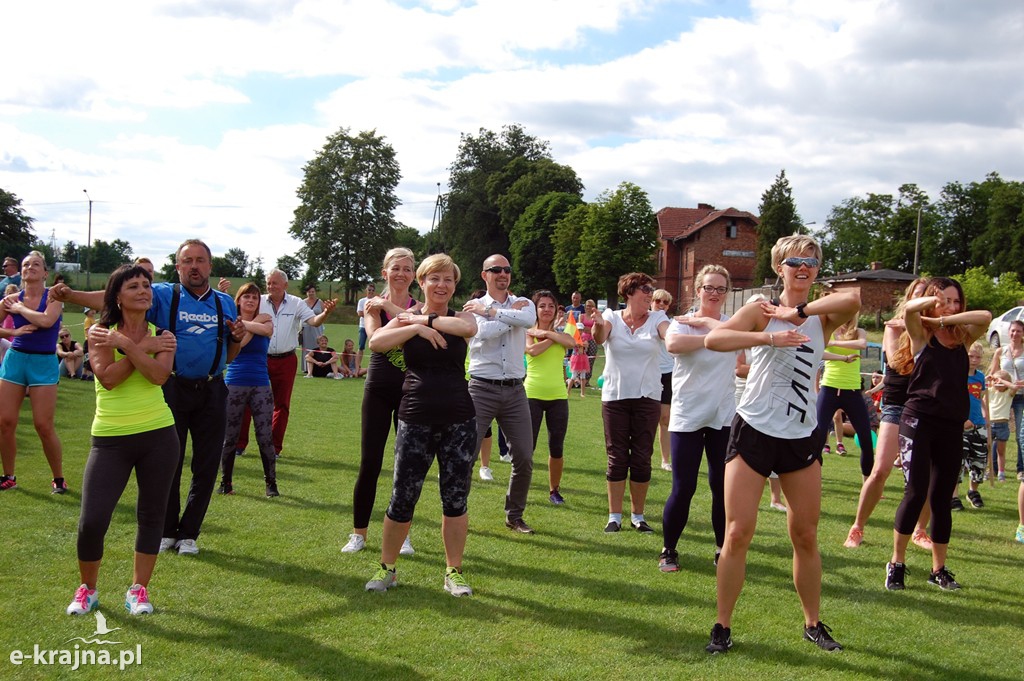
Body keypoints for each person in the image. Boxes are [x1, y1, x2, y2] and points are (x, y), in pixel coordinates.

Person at [704, 235, 860, 654]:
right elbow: (713, 340)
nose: (803, 267)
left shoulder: (819, 317)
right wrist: (767, 338)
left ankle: (812, 623)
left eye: (810, 261)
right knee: (737, 533)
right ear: (780, 268)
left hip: (800, 436)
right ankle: (722, 626)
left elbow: (853, 299)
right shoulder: (760, 309)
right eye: (794, 261)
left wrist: (800, 311)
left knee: (805, 535)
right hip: (754, 428)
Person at [52, 239, 244, 555]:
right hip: (172, 387)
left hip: (212, 388)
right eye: (187, 261)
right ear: (178, 266)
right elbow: (116, 298)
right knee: (170, 461)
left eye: (200, 260)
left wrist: (237, 339)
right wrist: (72, 295)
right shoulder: (166, 294)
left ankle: (189, 534)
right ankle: (168, 531)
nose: (194, 266)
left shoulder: (225, 302)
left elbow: (230, 353)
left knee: (207, 465)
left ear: (210, 265)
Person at [65, 264, 179, 616]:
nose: (144, 291)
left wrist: (128, 345)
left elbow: (159, 376)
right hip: (110, 439)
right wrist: (142, 347)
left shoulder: (165, 334)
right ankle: (88, 589)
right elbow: (109, 378)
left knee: (151, 515)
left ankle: (139, 590)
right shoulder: (100, 333)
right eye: (134, 286)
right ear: (117, 295)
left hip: (159, 435)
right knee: (93, 519)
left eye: (147, 285)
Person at [363, 254, 478, 596]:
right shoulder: (406, 323)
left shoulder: (461, 316)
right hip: (415, 417)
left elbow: (468, 328)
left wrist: (425, 318)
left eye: (448, 280)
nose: (442, 285)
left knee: (455, 499)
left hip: (459, 419)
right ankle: (387, 568)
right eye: (435, 279)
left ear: (454, 286)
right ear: (422, 283)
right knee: (402, 497)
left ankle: (453, 572)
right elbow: (376, 342)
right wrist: (415, 328)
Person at [884, 277, 990, 592]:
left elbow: (984, 317)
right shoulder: (920, 334)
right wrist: (932, 306)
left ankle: (938, 569)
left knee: (942, 499)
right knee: (915, 493)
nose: (953, 305)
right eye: (946, 299)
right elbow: (911, 310)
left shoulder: (963, 339)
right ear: (933, 299)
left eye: (957, 301)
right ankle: (897, 563)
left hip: (950, 426)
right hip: (918, 421)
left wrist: (944, 316)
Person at [658, 265, 738, 572]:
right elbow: (673, 346)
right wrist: (714, 338)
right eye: (709, 288)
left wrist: (717, 332)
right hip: (687, 415)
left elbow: (742, 352)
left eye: (720, 289)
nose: (714, 294)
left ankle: (722, 549)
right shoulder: (682, 323)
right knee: (684, 486)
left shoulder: (731, 323)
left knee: (722, 486)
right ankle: (669, 550)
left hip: (722, 416)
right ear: (697, 290)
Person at [843, 278, 932, 549]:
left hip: (926, 406)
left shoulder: (937, 331)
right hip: (896, 404)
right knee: (880, 469)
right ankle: (857, 528)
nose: (920, 302)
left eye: (926, 298)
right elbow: (899, 364)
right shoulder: (893, 328)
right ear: (908, 299)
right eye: (917, 296)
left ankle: (920, 531)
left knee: (926, 475)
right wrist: (913, 330)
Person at [343, 248, 419, 555]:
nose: (401, 273)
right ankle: (358, 533)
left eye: (407, 269)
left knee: (407, 466)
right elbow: (376, 342)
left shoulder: (420, 305)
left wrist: (394, 311)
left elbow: (407, 330)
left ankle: (403, 534)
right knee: (370, 463)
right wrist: (408, 324)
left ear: (414, 275)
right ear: (384, 273)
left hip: (410, 390)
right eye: (395, 268)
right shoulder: (373, 308)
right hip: (378, 388)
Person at [464, 254, 538, 534]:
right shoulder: (474, 307)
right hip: (481, 388)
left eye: (507, 270)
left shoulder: (525, 303)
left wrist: (495, 314)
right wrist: (510, 318)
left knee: (524, 457)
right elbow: (482, 334)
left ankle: (514, 515)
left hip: (515, 390)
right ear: (485, 275)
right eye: (496, 270)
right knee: (467, 455)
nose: (503, 274)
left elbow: (529, 319)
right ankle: (458, 512)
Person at [591, 272, 670, 534]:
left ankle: (638, 516)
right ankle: (614, 516)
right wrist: (597, 324)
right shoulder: (612, 317)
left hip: (647, 397)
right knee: (616, 458)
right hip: (615, 397)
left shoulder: (658, 318)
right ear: (629, 292)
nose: (650, 293)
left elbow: (668, 335)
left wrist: (678, 336)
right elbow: (600, 338)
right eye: (645, 289)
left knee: (641, 458)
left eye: (651, 289)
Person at [235, 269, 336, 458]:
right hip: (260, 359)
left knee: (282, 405)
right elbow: (241, 312)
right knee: (249, 401)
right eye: (269, 283)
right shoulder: (259, 300)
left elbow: (313, 321)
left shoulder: (296, 303)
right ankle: (240, 445)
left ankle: (274, 448)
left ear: (285, 285)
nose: (271, 286)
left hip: (286, 359)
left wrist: (325, 313)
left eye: (275, 283)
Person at [0, 251, 67, 494]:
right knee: (5, 422)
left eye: (36, 264)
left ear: (45, 273)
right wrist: (13, 333)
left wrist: (19, 308)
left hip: (44, 362)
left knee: (43, 425)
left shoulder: (54, 296)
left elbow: (47, 321)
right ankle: (9, 476)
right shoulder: (10, 300)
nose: (30, 267)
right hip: (16, 361)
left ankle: (58, 478)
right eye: (26, 264)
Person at [218, 283, 277, 497]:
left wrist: (246, 323)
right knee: (230, 437)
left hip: (261, 384)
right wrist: (249, 324)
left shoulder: (265, 319)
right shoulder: (232, 322)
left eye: (254, 297)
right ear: (239, 300)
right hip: (234, 383)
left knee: (264, 436)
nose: (251, 300)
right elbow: (239, 343)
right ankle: (226, 483)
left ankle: (271, 484)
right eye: (246, 297)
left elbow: (266, 330)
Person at [734, 294, 786, 512]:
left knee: (774, 442)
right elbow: (739, 369)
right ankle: (740, 495)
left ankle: (775, 498)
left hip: (771, 396)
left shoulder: (776, 332)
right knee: (743, 448)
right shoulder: (742, 337)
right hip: (742, 394)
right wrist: (765, 370)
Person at [525, 291, 575, 505]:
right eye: (542, 306)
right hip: (532, 395)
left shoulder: (562, 334)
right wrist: (555, 339)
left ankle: (554, 490)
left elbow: (572, 343)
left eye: (551, 306)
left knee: (557, 447)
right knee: (528, 448)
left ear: (556, 311)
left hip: (558, 396)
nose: (547, 309)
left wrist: (552, 335)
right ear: (535, 309)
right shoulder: (527, 331)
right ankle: (522, 489)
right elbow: (532, 350)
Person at [816, 319, 874, 476]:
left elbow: (862, 344)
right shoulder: (826, 331)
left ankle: (867, 484)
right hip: (829, 389)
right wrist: (843, 356)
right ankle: (812, 479)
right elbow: (818, 352)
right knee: (817, 438)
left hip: (853, 392)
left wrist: (835, 342)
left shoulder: (858, 331)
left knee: (866, 440)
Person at [954, 342, 989, 509]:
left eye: (978, 357)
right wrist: (961, 419)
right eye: (971, 356)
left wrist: (986, 419)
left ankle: (972, 491)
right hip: (961, 425)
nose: (974, 360)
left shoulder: (980, 377)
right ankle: (953, 495)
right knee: (957, 460)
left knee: (979, 460)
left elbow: (981, 399)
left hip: (978, 424)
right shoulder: (957, 374)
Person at [988, 319, 1024, 481]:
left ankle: (1020, 468)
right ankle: (994, 468)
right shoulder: (1001, 351)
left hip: (1021, 396)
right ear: (1008, 332)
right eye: (1013, 331)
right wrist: (997, 380)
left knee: (1019, 434)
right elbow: (993, 372)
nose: (1015, 334)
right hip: (1002, 395)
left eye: (1018, 331)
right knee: (996, 429)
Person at [652, 289, 675, 471]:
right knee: (645, 418)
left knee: (665, 419)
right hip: (648, 374)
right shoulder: (645, 321)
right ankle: (642, 455)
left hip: (668, 374)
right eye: (658, 300)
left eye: (665, 303)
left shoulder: (672, 324)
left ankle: (665, 459)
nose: (661, 305)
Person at [988, 369, 1015, 481]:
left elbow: (1014, 387)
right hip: (990, 424)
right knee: (988, 449)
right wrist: (989, 379)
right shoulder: (990, 391)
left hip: (1002, 425)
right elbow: (978, 388)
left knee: (1001, 450)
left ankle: (1001, 473)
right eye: (996, 381)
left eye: (1001, 382)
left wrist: (1003, 381)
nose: (998, 384)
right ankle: (988, 471)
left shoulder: (1008, 394)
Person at [299, 285, 324, 373]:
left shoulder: (319, 302)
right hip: (306, 328)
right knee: (306, 347)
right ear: (307, 292)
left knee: (317, 345)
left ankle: (317, 366)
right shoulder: (302, 302)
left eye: (313, 291)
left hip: (317, 328)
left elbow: (324, 313)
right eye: (309, 292)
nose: (311, 293)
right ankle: (306, 368)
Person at [356, 282, 376, 373]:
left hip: (374, 327)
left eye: (372, 290)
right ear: (366, 290)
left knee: (374, 347)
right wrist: (370, 314)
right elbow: (359, 313)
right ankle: (357, 367)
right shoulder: (362, 301)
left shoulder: (376, 301)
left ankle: (372, 367)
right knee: (361, 347)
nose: (371, 292)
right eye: (369, 290)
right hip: (363, 326)